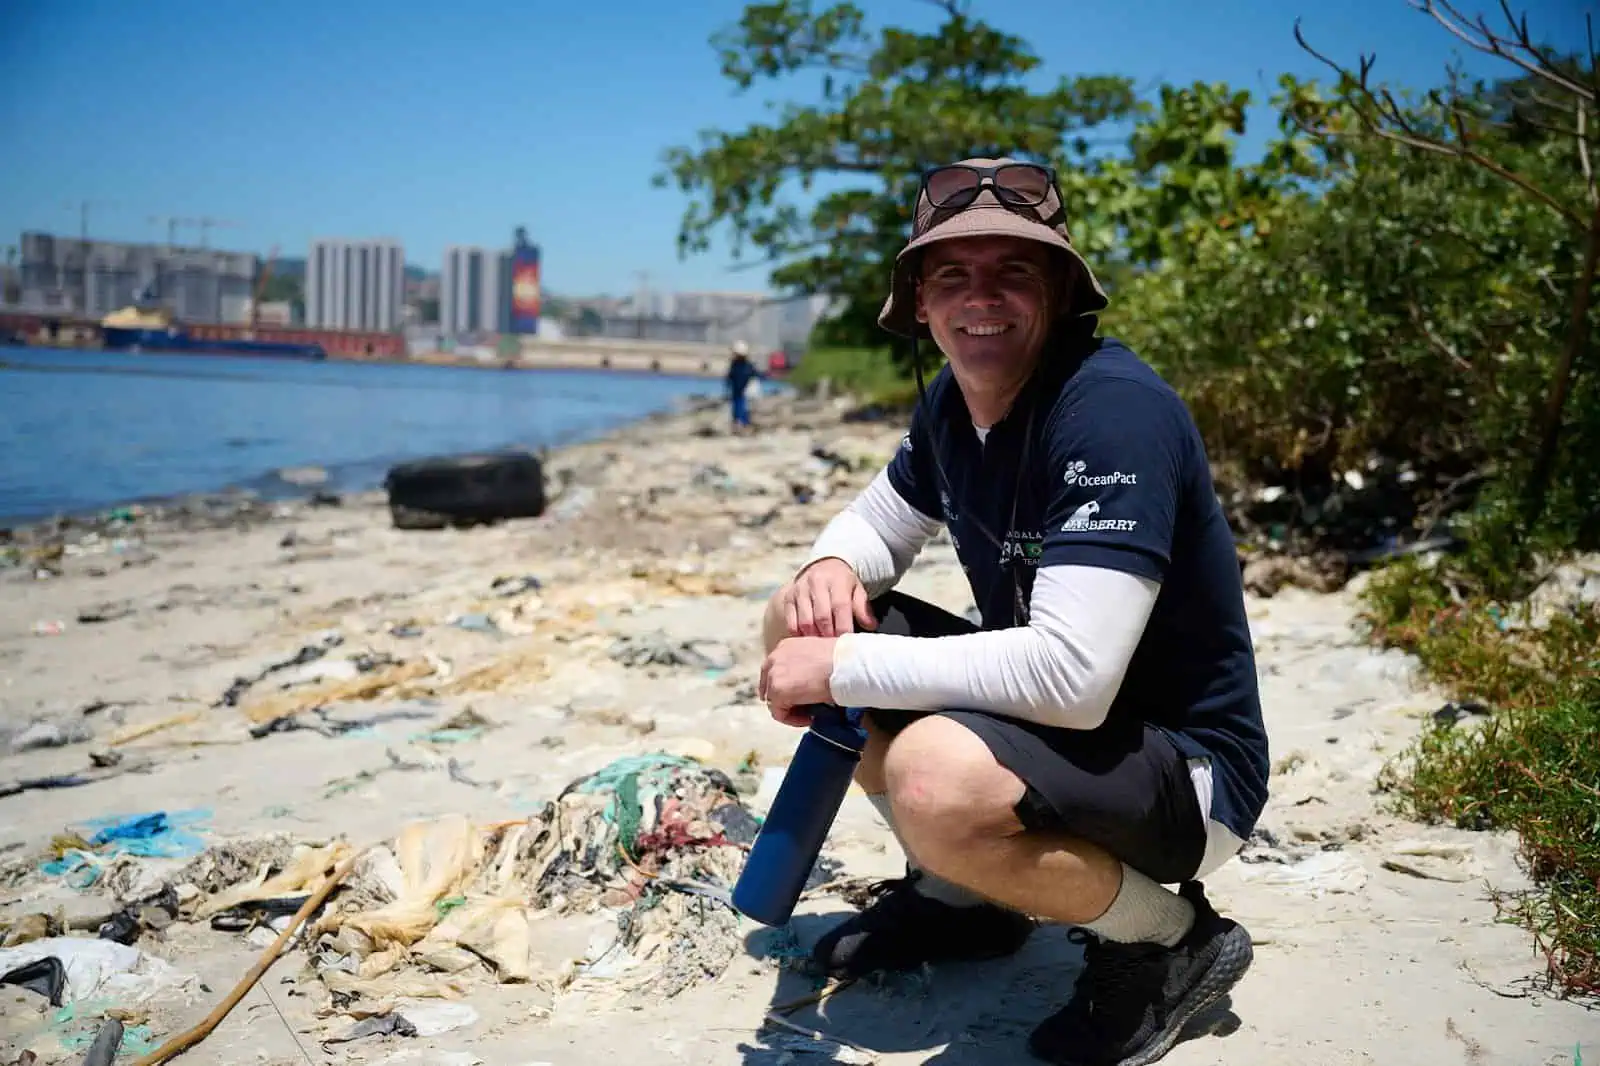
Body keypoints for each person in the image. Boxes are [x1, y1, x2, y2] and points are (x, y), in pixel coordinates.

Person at [756, 157, 1270, 1066]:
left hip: (1185, 773)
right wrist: (832, 562)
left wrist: (840, 671)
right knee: (801, 618)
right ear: (918, 301)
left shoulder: (1111, 412)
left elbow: (1071, 679)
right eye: (951, 273)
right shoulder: (956, 401)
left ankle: (1166, 937)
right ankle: (965, 902)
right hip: (1070, 733)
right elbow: (882, 515)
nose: (978, 297)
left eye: (1013, 271)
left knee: (931, 776)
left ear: (1062, 289)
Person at [725, 340, 763, 432]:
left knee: (741, 409)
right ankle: (741, 425)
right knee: (739, 409)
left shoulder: (742, 365)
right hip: (738, 390)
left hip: (742, 391)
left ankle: (742, 425)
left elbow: (731, 377)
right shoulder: (742, 364)